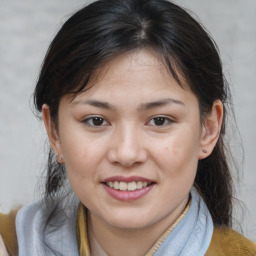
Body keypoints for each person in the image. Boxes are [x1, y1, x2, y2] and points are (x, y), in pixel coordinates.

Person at [0, 0, 256, 255]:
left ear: (208, 130)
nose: (126, 154)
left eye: (159, 120)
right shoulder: (12, 243)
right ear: (54, 132)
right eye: (96, 120)